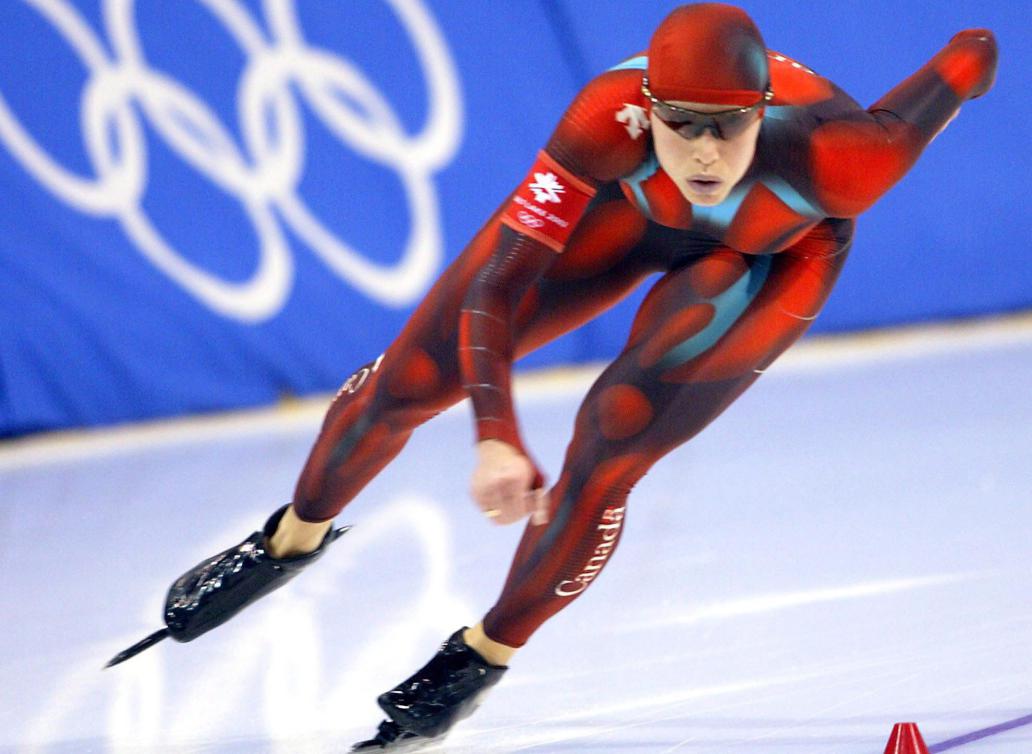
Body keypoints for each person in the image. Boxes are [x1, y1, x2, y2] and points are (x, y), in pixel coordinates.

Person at [107, 3, 998, 750]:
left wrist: (971, 56)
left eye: (725, 125)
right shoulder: (601, 123)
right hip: (625, 209)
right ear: (645, 109)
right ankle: (288, 541)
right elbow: (500, 283)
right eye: (679, 122)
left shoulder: (850, 155)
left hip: (773, 249)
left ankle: (479, 658)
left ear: (762, 112)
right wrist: (496, 433)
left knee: (612, 437)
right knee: (412, 377)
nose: (700, 150)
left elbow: (973, 55)